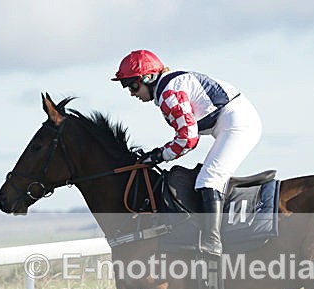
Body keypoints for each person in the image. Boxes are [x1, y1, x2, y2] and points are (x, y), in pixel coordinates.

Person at [111, 49, 262, 258]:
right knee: (207, 176)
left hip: (237, 122)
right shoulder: (169, 86)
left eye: (132, 85)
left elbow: (188, 139)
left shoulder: (168, 93)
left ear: (148, 77)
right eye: (126, 86)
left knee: (209, 179)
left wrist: (158, 156)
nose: (131, 92)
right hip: (231, 119)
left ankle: (212, 243)